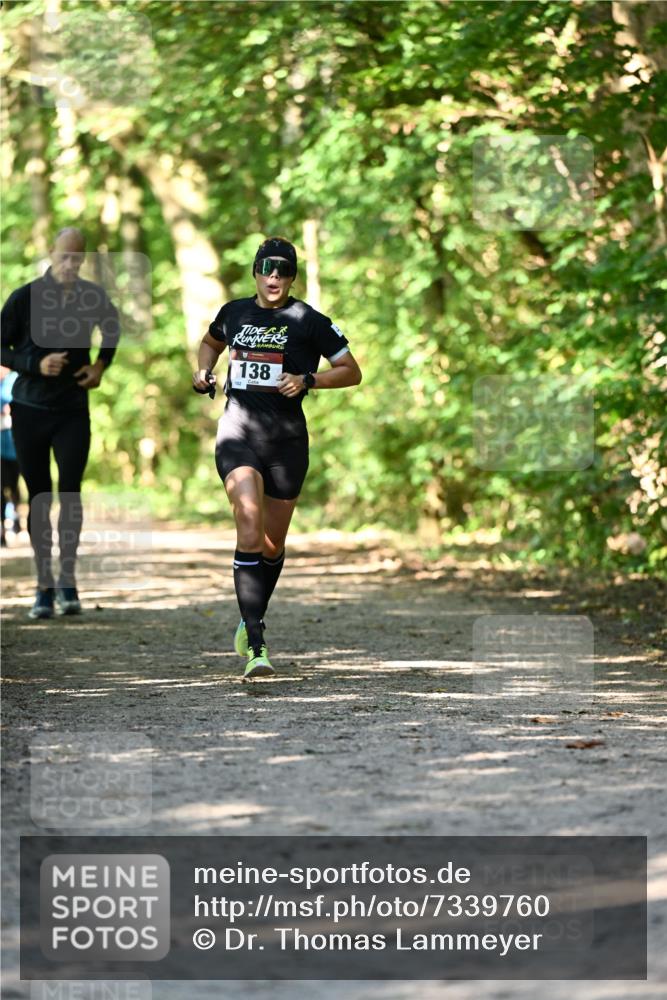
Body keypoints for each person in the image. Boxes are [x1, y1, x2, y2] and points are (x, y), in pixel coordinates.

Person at [193, 236, 361, 679]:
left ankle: (252, 615)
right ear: (255, 272)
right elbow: (210, 343)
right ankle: (256, 641)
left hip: (286, 442)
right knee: (248, 523)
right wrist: (202, 371)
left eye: (283, 270)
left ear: (292, 277)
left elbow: (352, 371)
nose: (274, 277)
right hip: (238, 434)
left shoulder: (308, 320)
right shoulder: (233, 313)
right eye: (267, 269)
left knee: (271, 544)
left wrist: (308, 380)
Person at [0, 227, 119, 618]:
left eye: (77, 258)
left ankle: (67, 580)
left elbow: (112, 327)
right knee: (39, 496)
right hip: (29, 410)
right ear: (51, 253)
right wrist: (34, 364)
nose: (71, 264)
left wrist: (100, 365)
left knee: (70, 492)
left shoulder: (91, 296)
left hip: (72, 410)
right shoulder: (24, 298)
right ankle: (43, 586)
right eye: (64, 256)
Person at [1, 367, 22, 545]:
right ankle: (2, 529)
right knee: (0, 487)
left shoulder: (15, 379)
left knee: (13, 485)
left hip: (16, 444)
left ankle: (16, 516)